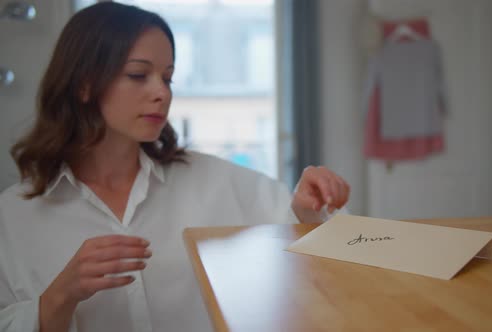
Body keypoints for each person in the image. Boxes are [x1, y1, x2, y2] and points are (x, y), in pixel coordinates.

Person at [0, 3, 350, 332]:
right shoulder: (14, 217)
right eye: (139, 75)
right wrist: (60, 295)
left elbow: (320, 251)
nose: (162, 93)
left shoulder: (215, 180)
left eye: (167, 78)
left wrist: (307, 213)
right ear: (84, 85)